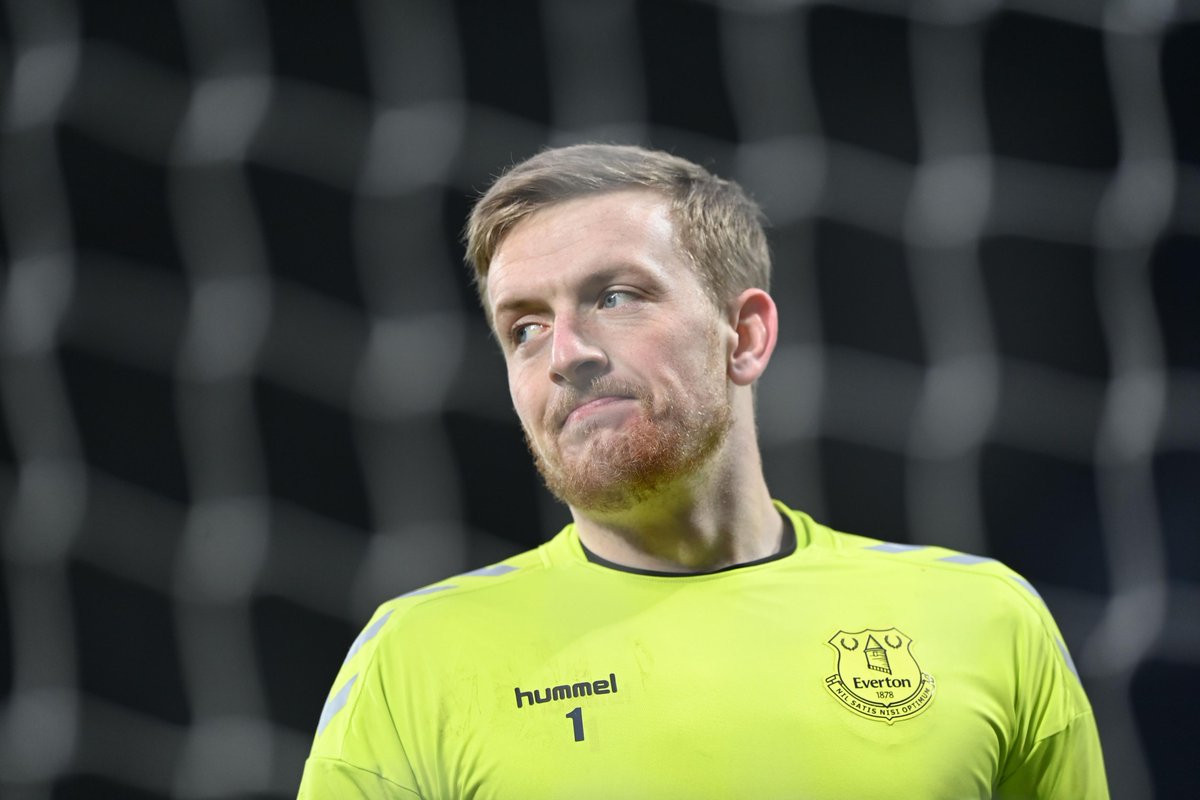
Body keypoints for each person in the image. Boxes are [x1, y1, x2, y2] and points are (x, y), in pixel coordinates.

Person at [297, 144, 1109, 798]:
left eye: (615, 297)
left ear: (745, 336)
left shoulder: (983, 617)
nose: (565, 354)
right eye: (526, 328)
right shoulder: (415, 657)